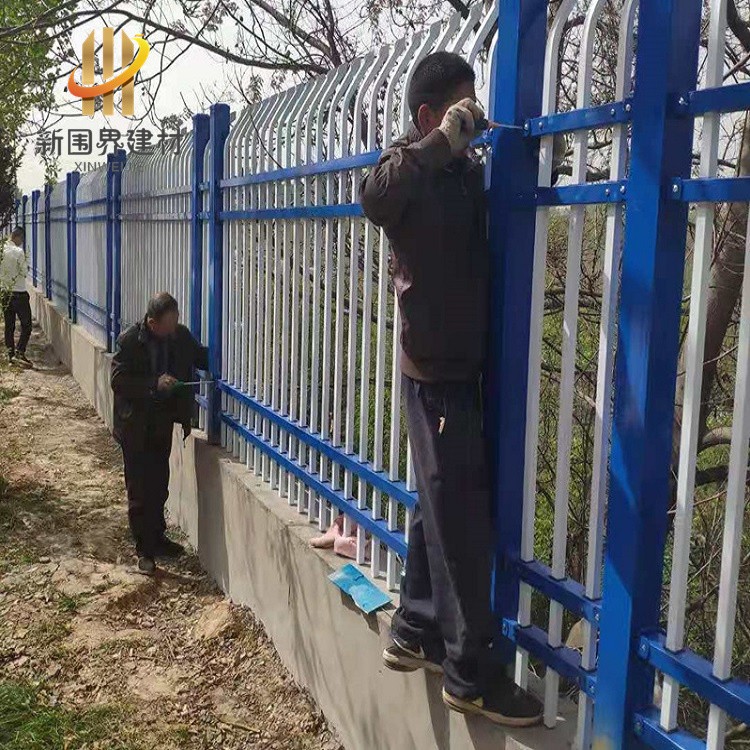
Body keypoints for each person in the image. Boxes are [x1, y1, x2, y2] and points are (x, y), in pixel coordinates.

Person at [360, 52, 543, 726]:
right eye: (460, 108)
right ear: (428, 115)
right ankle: (472, 674)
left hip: (460, 366)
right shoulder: (406, 166)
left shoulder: (463, 174)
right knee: (459, 521)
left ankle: (416, 626)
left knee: (437, 503)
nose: (472, 119)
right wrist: (440, 142)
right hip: (434, 369)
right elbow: (374, 198)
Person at [111, 292, 208, 575]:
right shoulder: (130, 341)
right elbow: (119, 381)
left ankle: (158, 538)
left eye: (176, 320)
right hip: (134, 427)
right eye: (169, 323)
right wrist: (154, 384)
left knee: (159, 484)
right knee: (139, 490)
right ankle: (144, 551)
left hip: (160, 424)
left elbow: (201, 357)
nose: (174, 327)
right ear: (153, 323)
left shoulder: (179, 336)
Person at [1, 227, 33, 367]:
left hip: (5, 292)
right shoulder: (18, 252)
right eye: (22, 239)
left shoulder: (2, 250)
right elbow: (24, 272)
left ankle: (10, 355)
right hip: (19, 293)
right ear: (18, 237)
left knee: (9, 326)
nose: (22, 242)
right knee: (27, 325)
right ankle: (20, 352)